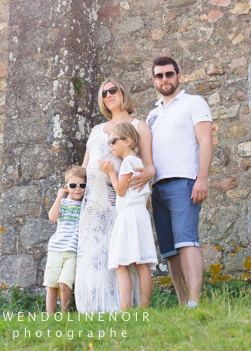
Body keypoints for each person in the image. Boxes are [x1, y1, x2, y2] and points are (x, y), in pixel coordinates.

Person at [131, 57, 212, 308]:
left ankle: (195, 302)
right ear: (153, 81)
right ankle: (182, 302)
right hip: (157, 188)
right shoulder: (153, 115)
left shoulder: (194, 103)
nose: (164, 79)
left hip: (184, 183)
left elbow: (206, 141)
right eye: (159, 76)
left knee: (187, 241)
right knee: (169, 250)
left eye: (169, 74)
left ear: (179, 76)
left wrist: (202, 179)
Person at [74, 78, 154, 313]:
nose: (108, 95)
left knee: (122, 257)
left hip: (119, 205)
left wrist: (143, 196)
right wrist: (69, 189)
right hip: (93, 205)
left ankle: (123, 307)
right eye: (104, 93)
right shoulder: (97, 130)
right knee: (93, 256)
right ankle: (92, 309)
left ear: (123, 92)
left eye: (113, 90)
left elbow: (149, 167)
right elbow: (84, 168)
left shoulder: (138, 126)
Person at [99, 122, 157, 310]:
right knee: (141, 262)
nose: (111, 146)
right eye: (109, 142)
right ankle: (143, 307)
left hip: (128, 214)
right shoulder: (138, 162)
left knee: (120, 263)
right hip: (140, 213)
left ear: (128, 141)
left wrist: (110, 172)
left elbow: (121, 190)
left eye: (114, 141)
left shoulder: (127, 162)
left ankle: (125, 308)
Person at [43, 165, 87, 314]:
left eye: (82, 185)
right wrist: (58, 197)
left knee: (65, 283)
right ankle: (49, 316)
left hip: (72, 250)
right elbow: (52, 217)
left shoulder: (85, 205)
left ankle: (64, 313)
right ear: (67, 187)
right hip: (56, 249)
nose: (78, 189)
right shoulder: (62, 202)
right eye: (73, 185)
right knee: (51, 284)